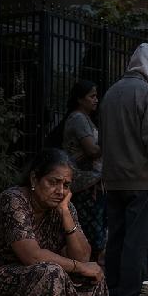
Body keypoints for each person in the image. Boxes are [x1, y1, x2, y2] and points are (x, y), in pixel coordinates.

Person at [0, 148, 108, 296]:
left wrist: (66, 213)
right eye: (53, 182)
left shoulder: (62, 207)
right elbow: (32, 256)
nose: (61, 191)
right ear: (34, 179)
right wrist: (80, 267)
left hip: (34, 272)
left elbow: (82, 257)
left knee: (94, 275)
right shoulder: (14, 201)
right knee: (51, 273)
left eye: (66, 185)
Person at [101, 43, 148, 296]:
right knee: (138, 245)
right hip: (143, 182)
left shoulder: (111, 93)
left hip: (113, 182)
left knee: (117, 242)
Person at [59, 80, 106, 256]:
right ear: (80, 99)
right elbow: (92, 150)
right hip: (84, 185)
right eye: (92, 96)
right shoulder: (78, 118)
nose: (96, 100)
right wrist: (112, 140)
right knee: (90, 230)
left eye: (96, 96)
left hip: (90, 182)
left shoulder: (85, 118)